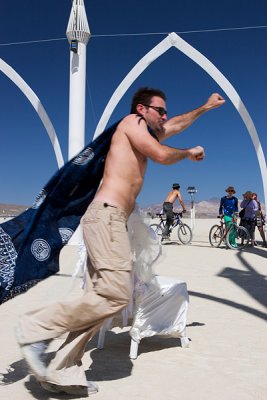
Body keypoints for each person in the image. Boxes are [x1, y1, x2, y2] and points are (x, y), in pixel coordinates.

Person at [16, 87, 225, 395]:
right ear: (142, 109)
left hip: (112, 219)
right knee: (114, 295)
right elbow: (160, 154)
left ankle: (62, 371)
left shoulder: (147, 129)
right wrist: (187, 152)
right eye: (160, 110)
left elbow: (174, 125)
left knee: (99, 299)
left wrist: (204, 108)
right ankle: (36, 328)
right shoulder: (131, 124)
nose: (165, 116)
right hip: (107, 216)